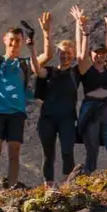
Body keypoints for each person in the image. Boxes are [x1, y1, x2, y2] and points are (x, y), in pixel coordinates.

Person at [0, 8, 45, 190]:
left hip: (16, 113)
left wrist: (45, 36)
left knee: (14, 152)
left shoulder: (24, 64)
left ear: (21, 43)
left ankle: (12, 190)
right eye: (11, 40)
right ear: (5, 40)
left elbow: (47, 57)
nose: (14, 44)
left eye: (17, 41)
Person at [73, 7, 107, 174]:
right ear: (92, 54)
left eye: (102, 53)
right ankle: (89, 177)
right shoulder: (86, 68)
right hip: (91, 107)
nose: (100, 55)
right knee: (92, 147)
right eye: (96, 53)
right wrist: (83, 31)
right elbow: (81, 53)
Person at [35, 10, 79, 187]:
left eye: (68, 53)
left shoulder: (76, 73)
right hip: (47, 118)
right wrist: (46, 34)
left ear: (73, 55)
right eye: (62, 52)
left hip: (68, 118)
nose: (65, 55)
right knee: (48, 154)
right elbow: (38, 68)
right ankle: (49, 187)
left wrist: (80, 26)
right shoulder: (50, 71)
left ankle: (67, 185)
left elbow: (83, 52)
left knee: (67, 151)